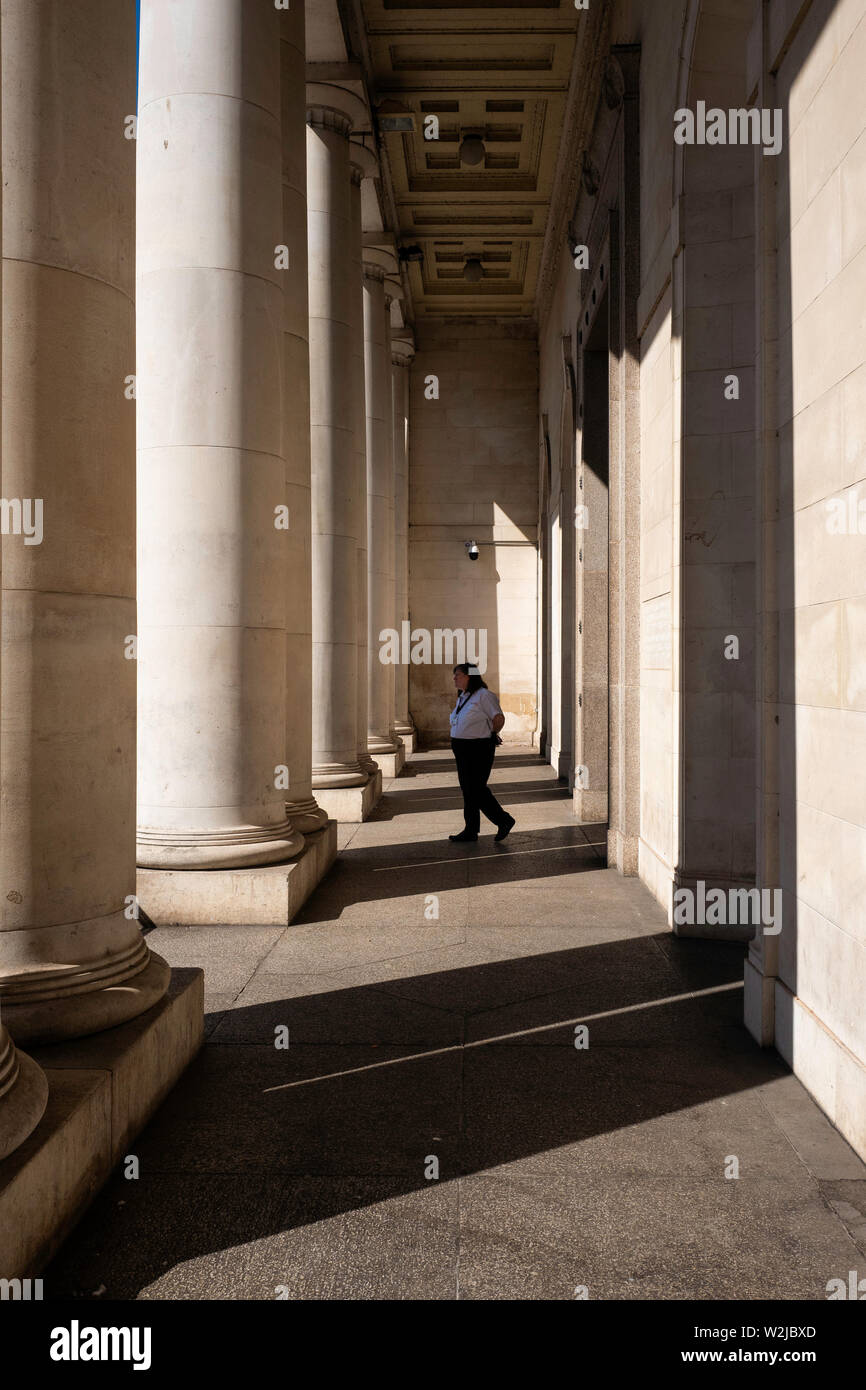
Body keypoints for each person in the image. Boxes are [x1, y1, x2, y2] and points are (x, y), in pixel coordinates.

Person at [448, 663, 516, 843]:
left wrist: (492, 734)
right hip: (462, 748)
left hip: (478, 748)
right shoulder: (463, 696)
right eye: (454, 675)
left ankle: (504, 820)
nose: (454, 678)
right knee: (468, 789)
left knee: (476, 789)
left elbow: (498, 718)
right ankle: (471, 829)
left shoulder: (484, 696)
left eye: (458, 675)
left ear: (469, 677)